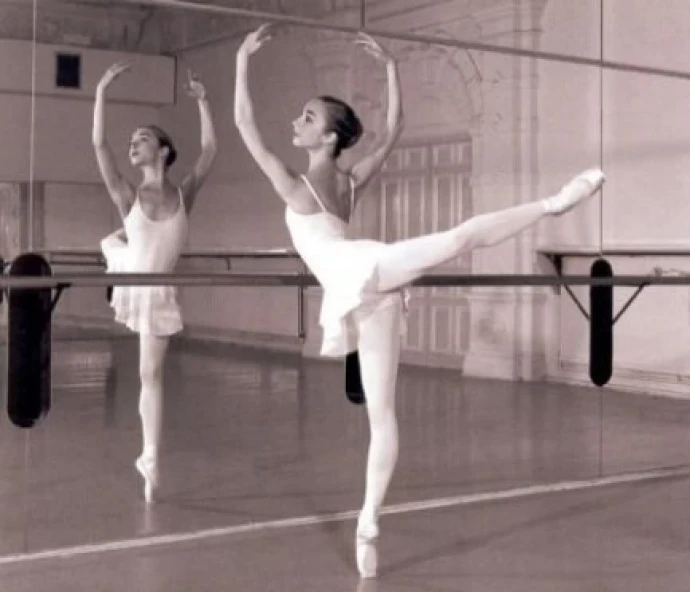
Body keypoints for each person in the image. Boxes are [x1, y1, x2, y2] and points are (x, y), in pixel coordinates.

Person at [234, 24, 605, 578]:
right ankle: (368, 526)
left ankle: (555, 203)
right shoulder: (333, 182)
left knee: (457, 241)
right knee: (380, 416)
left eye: (309, 117)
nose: (297, 120)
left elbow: (247, 125)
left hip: (365, 269)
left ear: (331, 139)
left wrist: (242, 61)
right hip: (363, 289)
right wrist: (387, 68)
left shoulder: (316, 184)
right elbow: (395, 128)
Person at [93, 64, 217, 503]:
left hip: (159, 289)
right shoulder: (127, 193)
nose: (134, 144)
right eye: (133, 141)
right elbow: (99, 145)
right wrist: (102, 92)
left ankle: (150, 456)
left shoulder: (184, 193)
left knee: (151, 374)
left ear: (163, 151)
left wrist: (203, 99)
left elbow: (209, 151)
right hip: (135, 278)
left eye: (143, 138)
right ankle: (117, 247)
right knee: (114, 244)